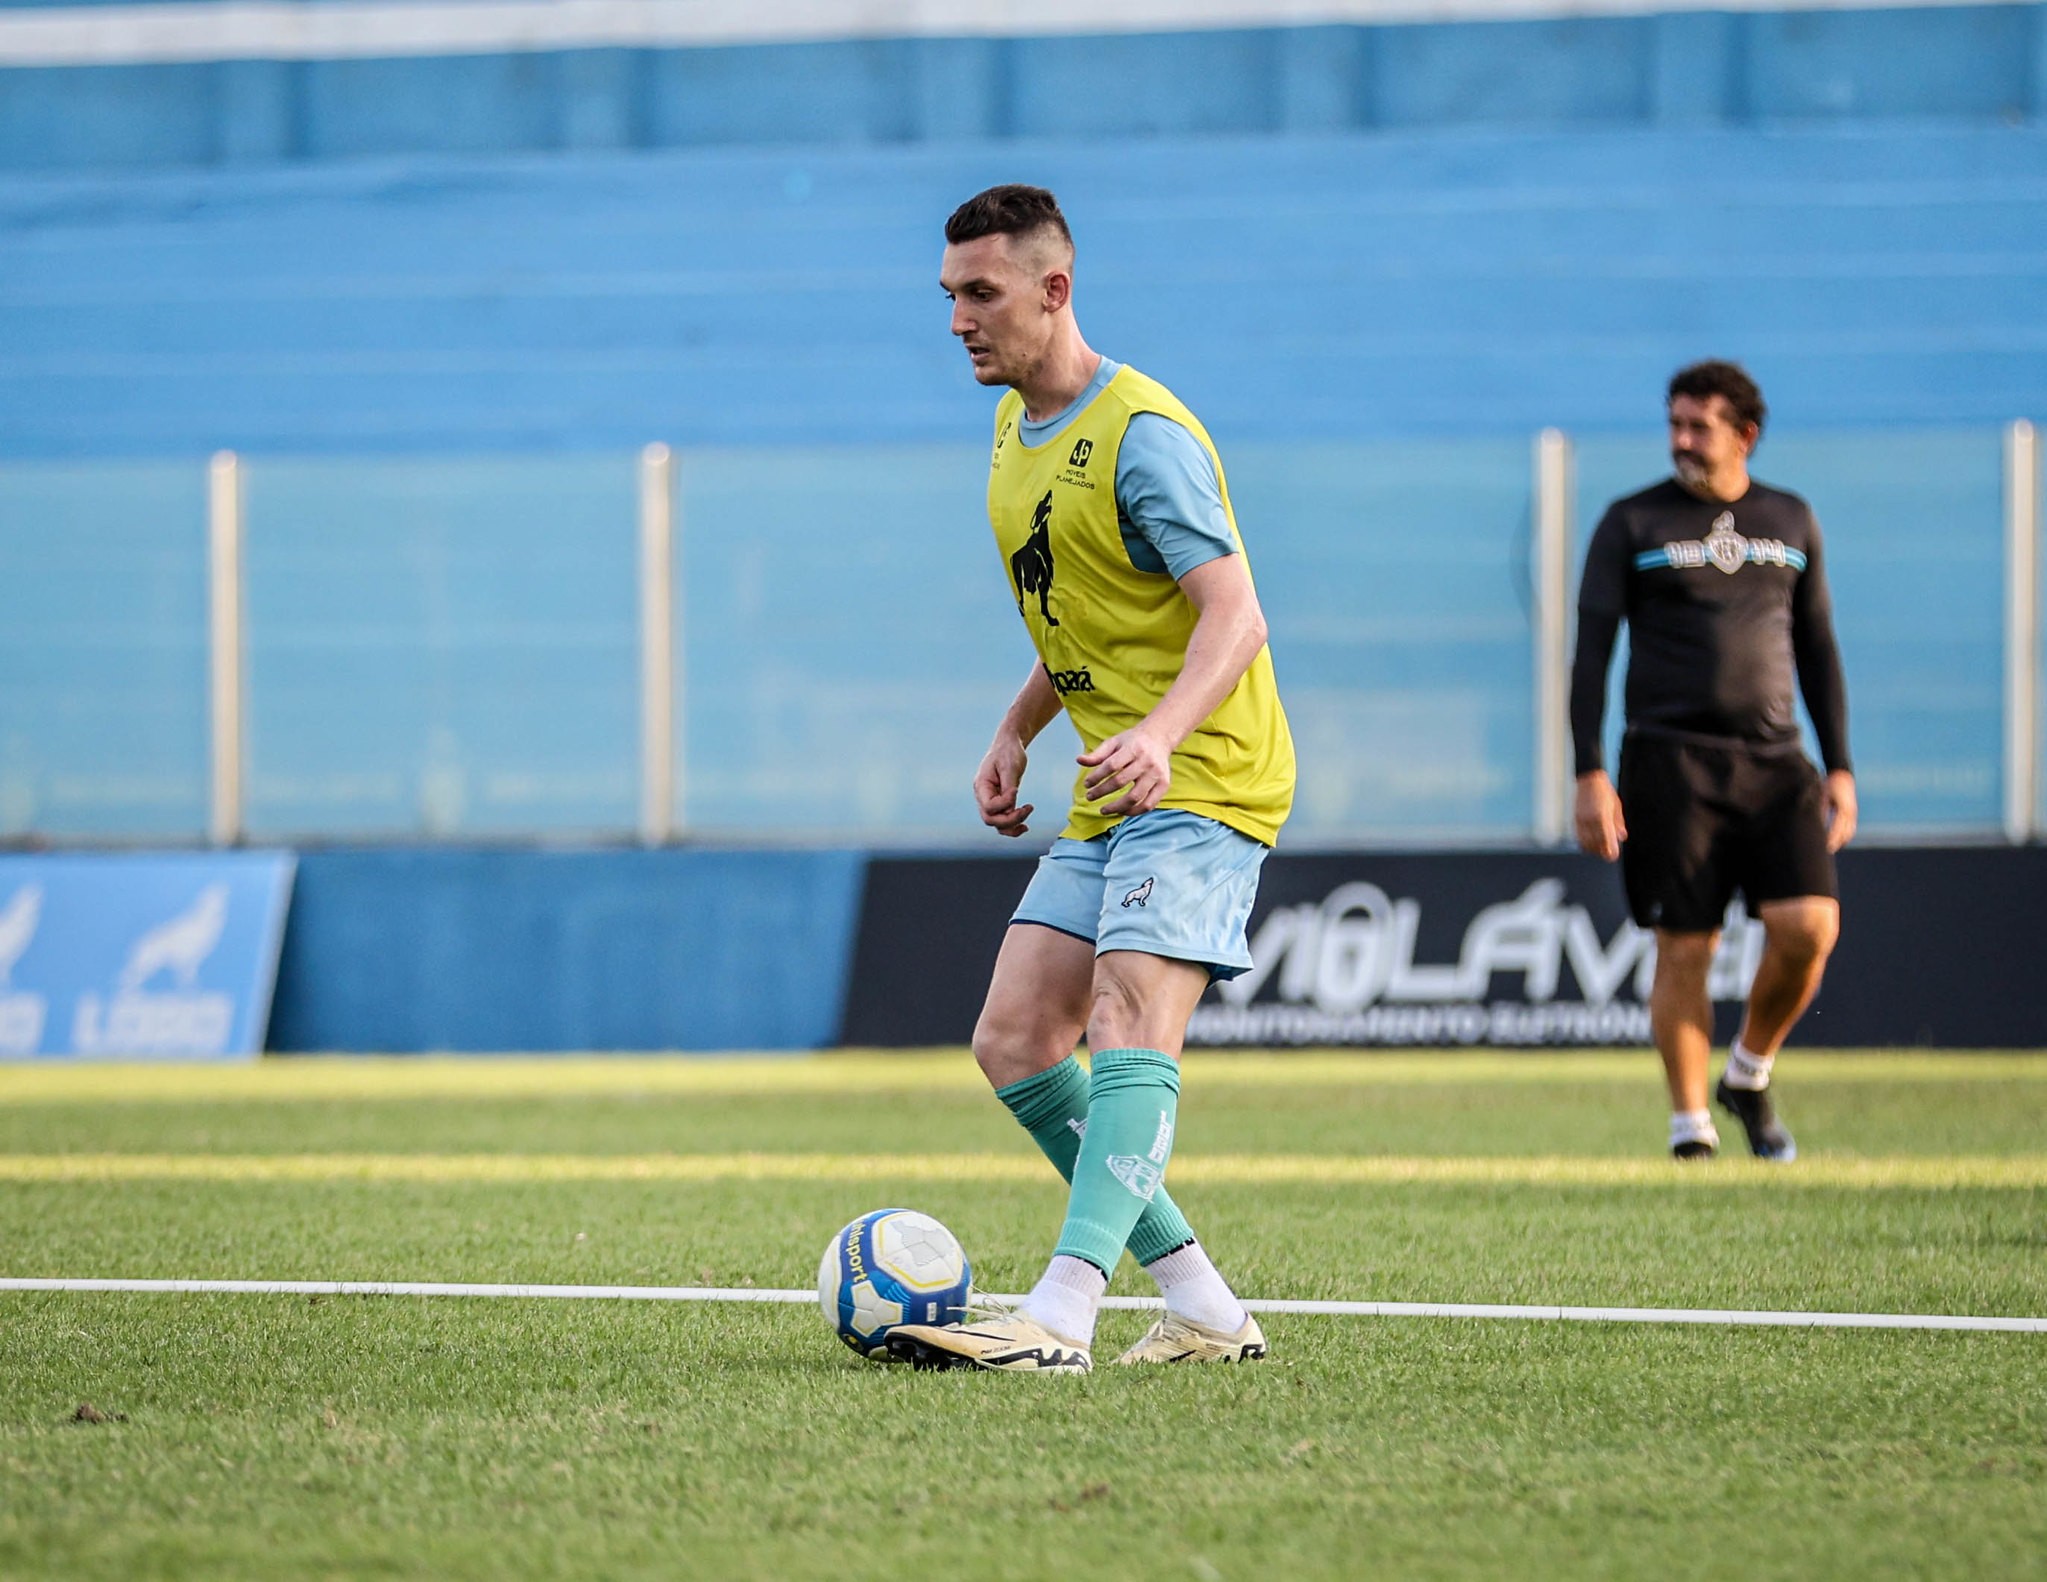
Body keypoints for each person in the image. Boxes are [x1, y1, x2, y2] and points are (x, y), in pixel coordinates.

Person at [885, 184, 1296, 1373]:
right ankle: (1207, 1309)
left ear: (1053, 290)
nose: (959, 319)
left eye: (982, 294)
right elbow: (1087, 613)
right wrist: (1017, 727)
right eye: (950, 296)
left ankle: (1059, 1313)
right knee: (1015, 1036)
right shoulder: (1014, 434)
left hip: (1205, 776)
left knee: (1123, 1016)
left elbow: (1237, 616)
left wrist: (1165, 733)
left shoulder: (1142, 433)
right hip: (1113, 784)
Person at [1571, 360, 1856, 1162]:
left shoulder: (1789, 519)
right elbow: (1589, 652)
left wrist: (1839, 765)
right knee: (1686, 946)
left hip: (1776, 764)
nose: (1680, 440)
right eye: (1674, 424)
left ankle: (1750, 1070)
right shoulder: (1631, 522)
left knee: (1808, 927)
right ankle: (1689, 1126)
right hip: (1669, 765)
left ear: (1745, 435)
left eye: (1698, 426)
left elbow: (1817, 648)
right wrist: (1588, 768)